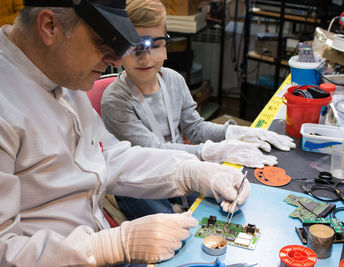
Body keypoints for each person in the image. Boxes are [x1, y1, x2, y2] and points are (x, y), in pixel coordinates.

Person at [0, 0, 251, 266]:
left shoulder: (57, 70)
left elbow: (107, 156)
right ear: (49, 26)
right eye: (103, 42)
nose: (116, 60)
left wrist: (191, 171)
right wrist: (111, 246)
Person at [101, 0, 295, 220]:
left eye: (156, 45)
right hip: (137, 181)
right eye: (135, 47)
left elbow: (195, 128)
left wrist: (231, 133)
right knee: (174, 230)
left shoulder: (173, 80)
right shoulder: (115, 100)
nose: (146, 58)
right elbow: (152, 150)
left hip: (181, 167)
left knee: (224, 203)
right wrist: (211, 152)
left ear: (166, 44)